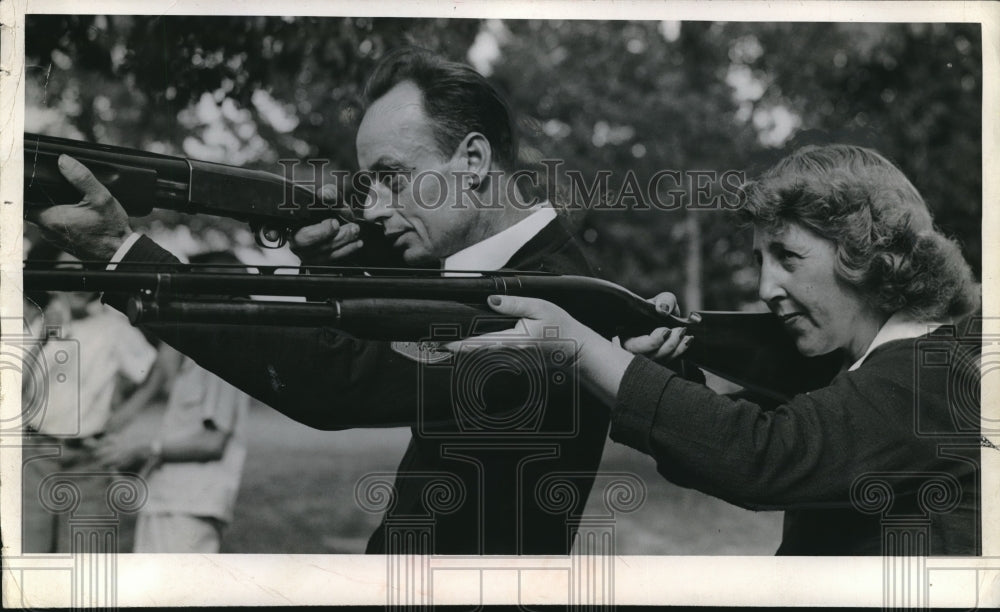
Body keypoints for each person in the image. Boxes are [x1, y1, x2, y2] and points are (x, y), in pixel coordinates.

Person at [28, 48, 611, 554]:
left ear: (474, 160)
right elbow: (395, 329)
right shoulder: (505, 271)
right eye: (369, 184)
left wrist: (123, 254)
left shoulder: (550, 296)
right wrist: (329, 267)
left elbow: (339, 380)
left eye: (393, 176)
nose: (376, 208)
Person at [452, 144, 982, 555]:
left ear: (865, 253)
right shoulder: (879, 369)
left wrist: (576, 344)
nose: (765, 288)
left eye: (788, 257)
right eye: (759, 261)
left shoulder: (930, 375)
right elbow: (726, 447)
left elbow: (760, 456)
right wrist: (675, 373)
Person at [90, 251, 252, 554]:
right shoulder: (196, 360)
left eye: (190, 291)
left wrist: (143, 449)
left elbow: (212, 442)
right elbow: (161, 376)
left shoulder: (223, 363)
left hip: (191, 507)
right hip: (169, 501)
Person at [21, 246, 159, 553]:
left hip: (88, 461)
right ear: (51, 280)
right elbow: (16, 385)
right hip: (36, 456)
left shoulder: (114, 328)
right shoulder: (39, 325)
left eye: (88, 274)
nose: (80, 284)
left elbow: (153, 372)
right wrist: (44, 337)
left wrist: (123, 415)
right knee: (31, 554)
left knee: (84, 559)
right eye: (69, 275)